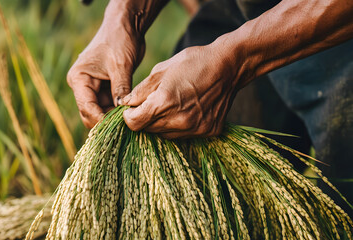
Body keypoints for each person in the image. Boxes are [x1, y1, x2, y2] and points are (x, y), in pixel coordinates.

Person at [66, 0, 353, 216]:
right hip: (241, 13)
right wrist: (126, 15)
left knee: (342, 204)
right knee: (202, 194)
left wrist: (236, 59)